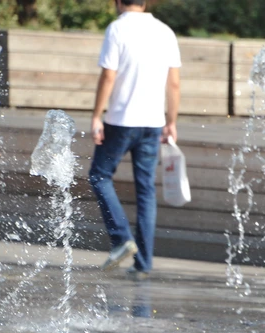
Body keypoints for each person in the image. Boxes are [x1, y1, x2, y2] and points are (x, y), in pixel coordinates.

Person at [89, 0, 181, 282]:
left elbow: (108, 75)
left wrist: (96, 115)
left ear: (118, 2)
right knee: (146, 192)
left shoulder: (117, 29)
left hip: (120, 120)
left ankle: (121, 238)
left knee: (99, 176)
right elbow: (174, 82)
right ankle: (143, 262)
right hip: (152, 123)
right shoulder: (165, 31)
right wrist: (172, 121)